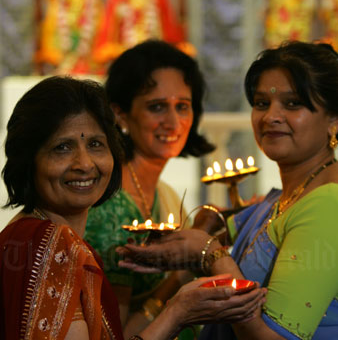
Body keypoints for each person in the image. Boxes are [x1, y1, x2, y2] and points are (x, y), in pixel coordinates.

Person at [0, 76, 266, 340]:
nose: (84, 163)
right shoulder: (52, 245)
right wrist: (177, 312)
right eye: (62, 148)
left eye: (95, 144)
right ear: (28, 161)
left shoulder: (26, 235)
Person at [117, 40, 338, 339]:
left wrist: (208, 252)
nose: (271, 116)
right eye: (262, 103)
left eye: (292, 103)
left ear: (334, 121)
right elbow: (215, 231)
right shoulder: (286, 199)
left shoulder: (327, 203)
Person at [84, 39, 215, 338]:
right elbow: (115, 333)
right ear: (121, 115)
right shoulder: (114, 206)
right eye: (157, 107)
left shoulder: (162, 192)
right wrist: (186, 265)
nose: (173, 122)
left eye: (182, 106)